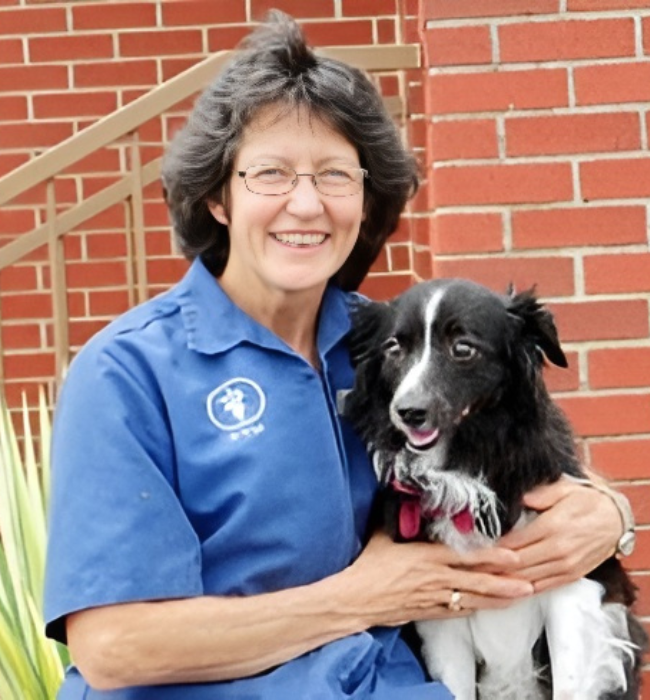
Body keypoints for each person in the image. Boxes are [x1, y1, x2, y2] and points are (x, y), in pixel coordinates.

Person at [44, 11, 630, 699]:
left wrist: (606, 513)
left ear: (365, 198)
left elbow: (522, 454)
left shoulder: (392, 341)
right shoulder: (127, 372)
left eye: (334, 175)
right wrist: (360, 598)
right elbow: (116, 647)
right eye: (269, 174)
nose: (305, 204)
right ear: (218, 197)